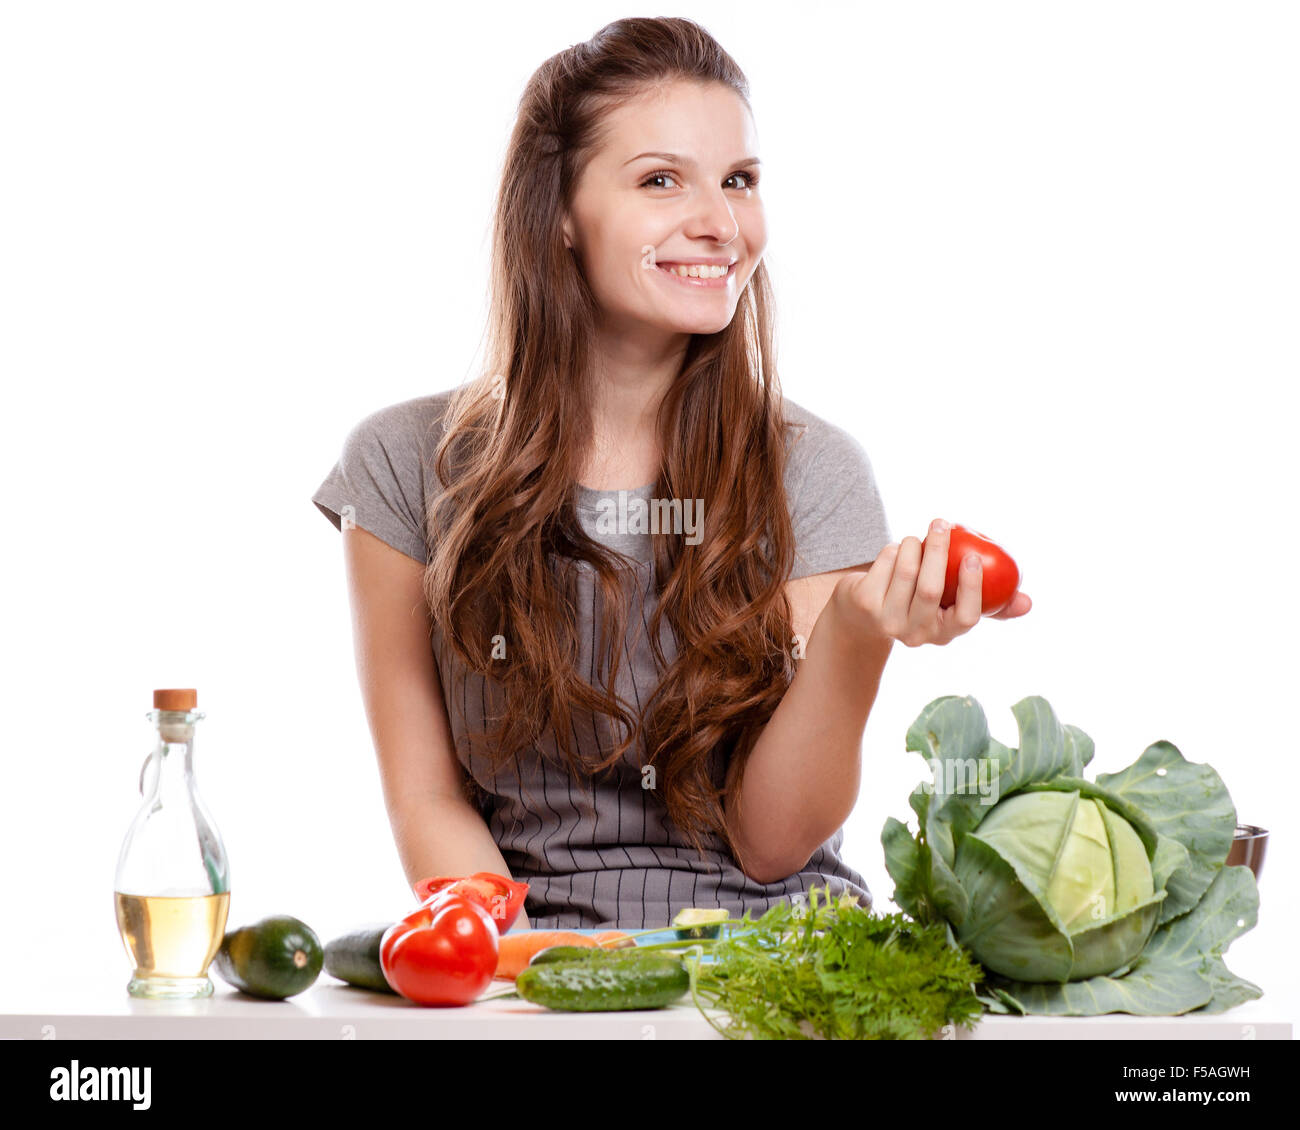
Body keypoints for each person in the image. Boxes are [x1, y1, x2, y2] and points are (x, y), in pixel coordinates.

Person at [311, 16, 1031, 930]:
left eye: (739, 181)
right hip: (530, 962)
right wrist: (535, 981)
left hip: (783, 966)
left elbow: (771, 843)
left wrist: (856, 633)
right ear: (560, 212)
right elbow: (428, 801)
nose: (720, 224)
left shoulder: (814, 471)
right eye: (661, 180)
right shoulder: (406, 462)